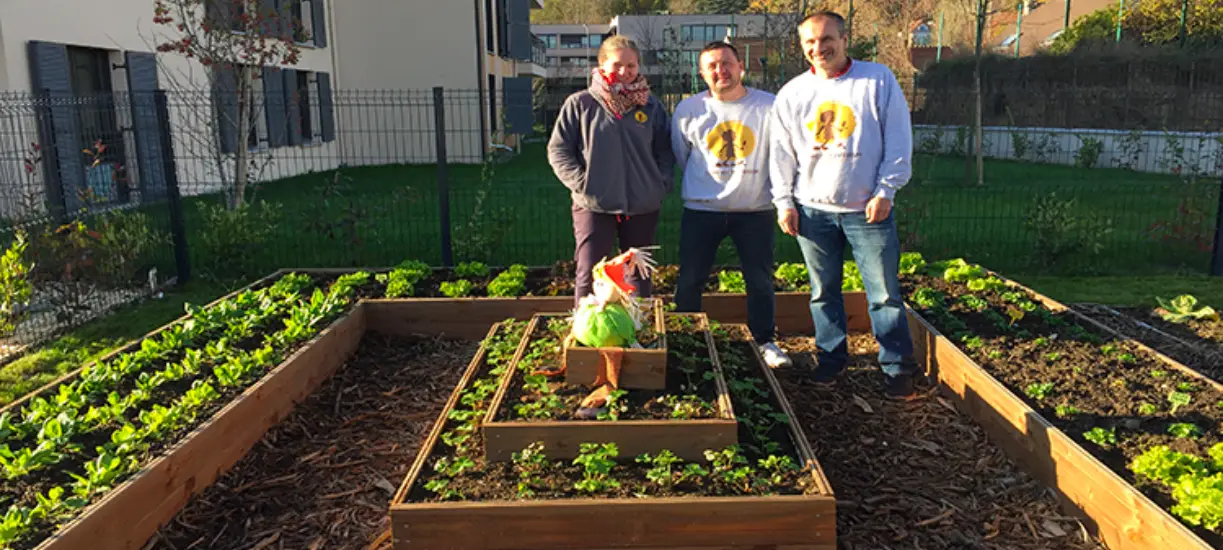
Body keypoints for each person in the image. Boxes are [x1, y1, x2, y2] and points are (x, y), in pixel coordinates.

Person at [768, 11, 920, 400]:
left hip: (867, 210)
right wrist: (784, 202)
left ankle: (896, 367)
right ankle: (831, 361)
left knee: (883, 293)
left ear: (844, 39)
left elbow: (898, 140)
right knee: (823, 292)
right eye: (810, 42)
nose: (818, 48)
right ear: (801, 46)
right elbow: (781, 154)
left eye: (826, 39)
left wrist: (886, 191)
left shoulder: (877, 80)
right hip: (812, 210)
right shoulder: (793, 93)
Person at [670, 41, 792, 369]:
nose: (720, 70)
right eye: (711, 66)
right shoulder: (688, 110)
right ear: (702, 74)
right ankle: (686, 342)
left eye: (726, 63)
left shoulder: (769, 106)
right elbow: (683, 156)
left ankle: (765, 341)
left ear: (741, 67)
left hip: (754, 211)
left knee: (760, 280)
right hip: (702, 210)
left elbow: (781, 156)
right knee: (691, 279)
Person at [547, 35, 675, 306]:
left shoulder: (651, 106)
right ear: (602, 65)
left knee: (638, 272)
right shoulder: (581, 104)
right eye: (617, 65)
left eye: (631, 65)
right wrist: (583, 183)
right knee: (591, 272)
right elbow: (558, 150)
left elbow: (665, 149)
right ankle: (587, 325)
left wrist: (660, 183)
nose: (625, 72)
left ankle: (639, 324)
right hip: (594, 203)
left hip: (643, 204)